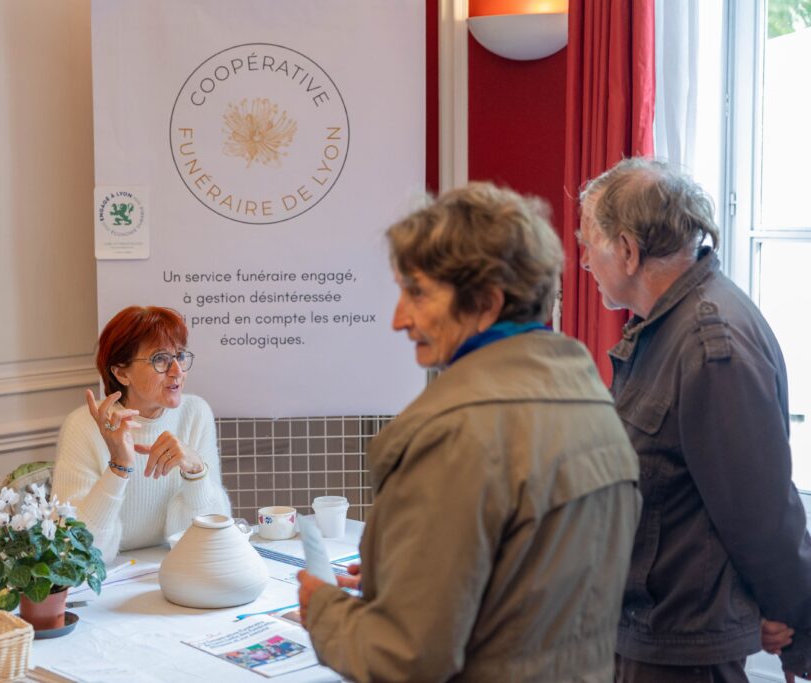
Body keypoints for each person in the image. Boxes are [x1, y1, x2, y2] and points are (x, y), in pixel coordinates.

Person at [297, 183, 641, 682]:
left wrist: (324, 611)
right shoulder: (593, 403)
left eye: (416, 292)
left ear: (485, 303)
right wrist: (408, 572)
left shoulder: (454, 431)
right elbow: (539, 581)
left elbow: (406, 658)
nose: (399, 318)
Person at [576, 157, 811, 683]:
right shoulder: (663, 327)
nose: (585, 262)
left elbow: (761, 512)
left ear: (630, 251)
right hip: (648, 632)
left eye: (589, 244)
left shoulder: (710, 344)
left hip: (681, 653)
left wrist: (792, 617)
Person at [52, 306, 231, 561]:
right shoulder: (83, 426)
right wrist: (118, 468)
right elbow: (73, 552)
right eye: (160, 359)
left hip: (172, 568)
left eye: (180, 355)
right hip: (105, 579)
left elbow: (215, 536)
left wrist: (196, 472)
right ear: (121, 372)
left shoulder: (195, 413)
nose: (177, 371)